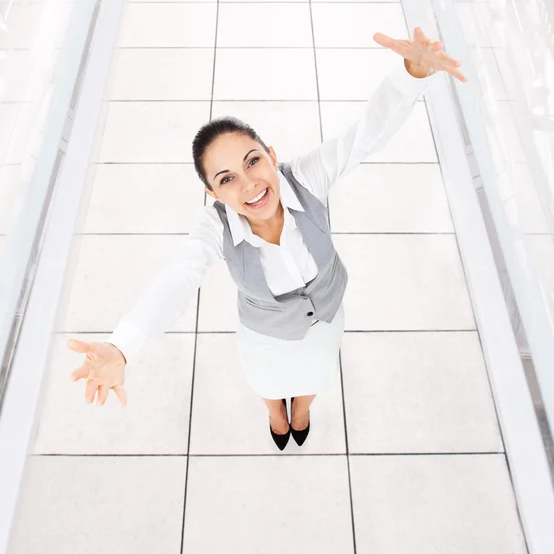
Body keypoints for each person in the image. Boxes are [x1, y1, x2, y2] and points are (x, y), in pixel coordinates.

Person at [68, 27, 468, 450]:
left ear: (271, 155)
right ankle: (277, 412)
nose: (250, 186)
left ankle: (301, 410)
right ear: (212, 193)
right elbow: (178, 279)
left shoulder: (306, 177)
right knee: (269, 380)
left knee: (317, 371)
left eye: (253, 161)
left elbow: (364, 136)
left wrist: (413, 73)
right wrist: (122, 346)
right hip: (265, 336)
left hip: (327, 319)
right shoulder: (214, 226)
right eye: (226, 179)